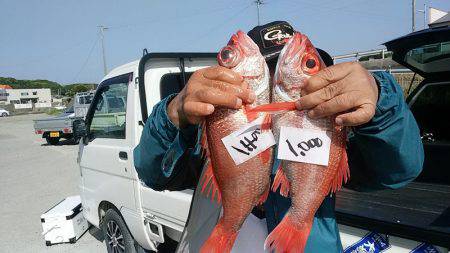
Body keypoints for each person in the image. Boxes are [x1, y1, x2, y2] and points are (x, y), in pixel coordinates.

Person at [133, 21, 424, 252]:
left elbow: (400, 169)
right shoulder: (212, 123)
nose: (274, 81)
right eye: (268, 69)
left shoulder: (335, 125)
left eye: (310, 66)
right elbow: (152, 173)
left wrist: (381, 100)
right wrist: (174, 114)